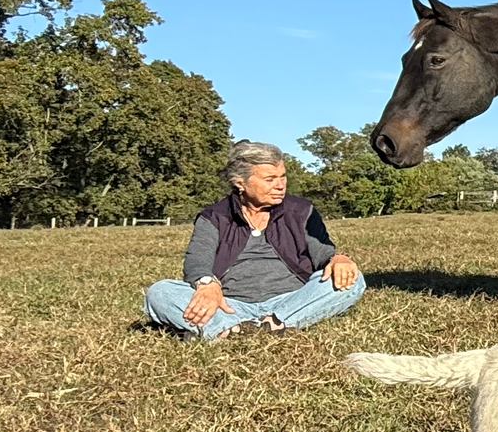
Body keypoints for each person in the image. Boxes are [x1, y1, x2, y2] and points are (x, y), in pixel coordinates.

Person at [144, 140, 366, 338]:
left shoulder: (301, 210)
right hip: (230, 305)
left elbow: (323, 254)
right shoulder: (214, 217)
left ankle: (245, 328)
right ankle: (245, 326)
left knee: (352, 280)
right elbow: (197, 262)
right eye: (270, 179)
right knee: (160, 293)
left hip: (292, 300)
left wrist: (338, 259)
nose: (280, 185)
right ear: (241, 183)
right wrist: (207, 283)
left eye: (282, 177)